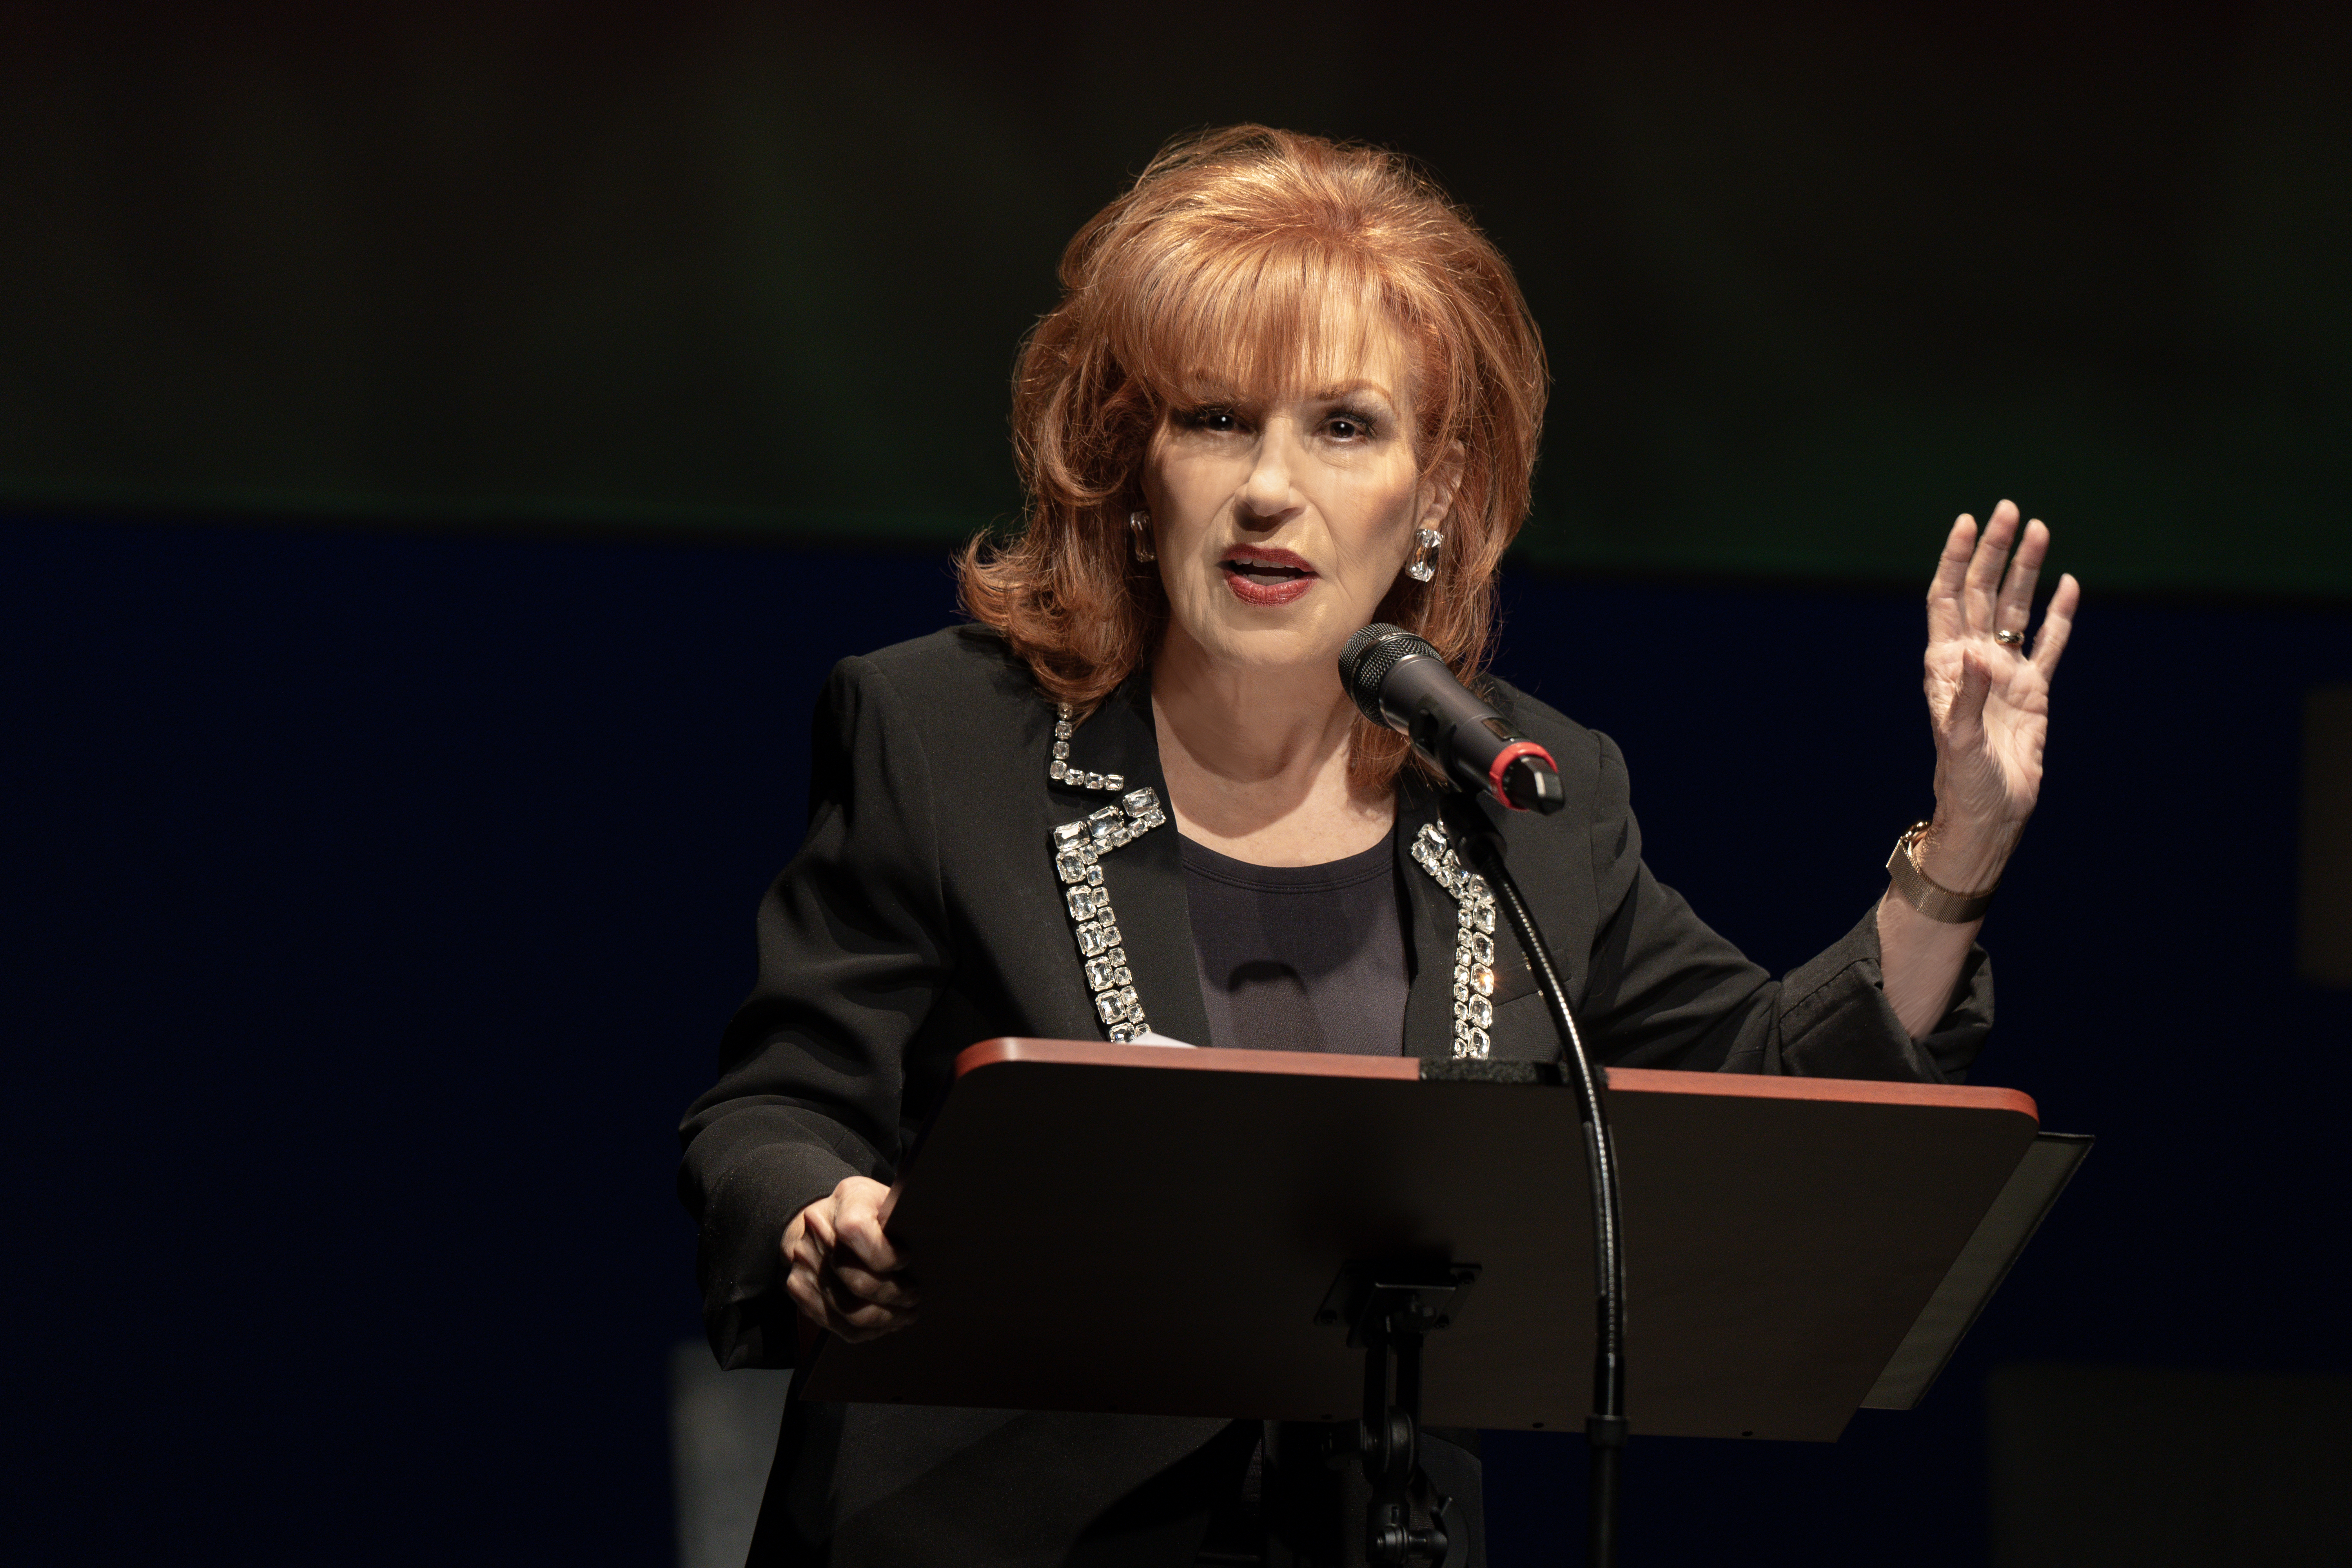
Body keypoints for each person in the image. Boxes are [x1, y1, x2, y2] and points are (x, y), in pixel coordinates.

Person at [677, 125, 2080, 1568]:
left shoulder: (1528, 789)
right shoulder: (942, 734)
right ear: (1130, 464)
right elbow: (774, 1111)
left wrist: (1962, 844)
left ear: (1443, 491)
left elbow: (1772, 1111)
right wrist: (817, 1216)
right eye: (1216, 419)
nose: (1269, 489)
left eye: (1344, 427)